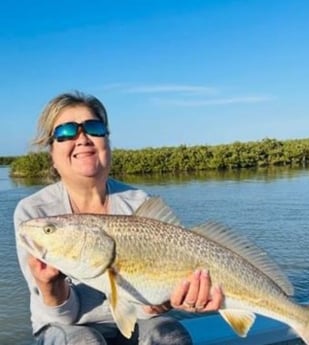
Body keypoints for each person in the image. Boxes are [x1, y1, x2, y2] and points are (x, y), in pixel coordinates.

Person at [14, 91, 224, 345]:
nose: (82, 139)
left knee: (170, 337)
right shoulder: (33, 214)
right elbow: (63, 319)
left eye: (93, 127)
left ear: (107, 142)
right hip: (66, 326)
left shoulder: (139, 203)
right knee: (84, 341)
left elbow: (145, 307)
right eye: (66, 132)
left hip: (136, 320)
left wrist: (165, 300)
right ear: (52, 153)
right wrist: (49, 287)